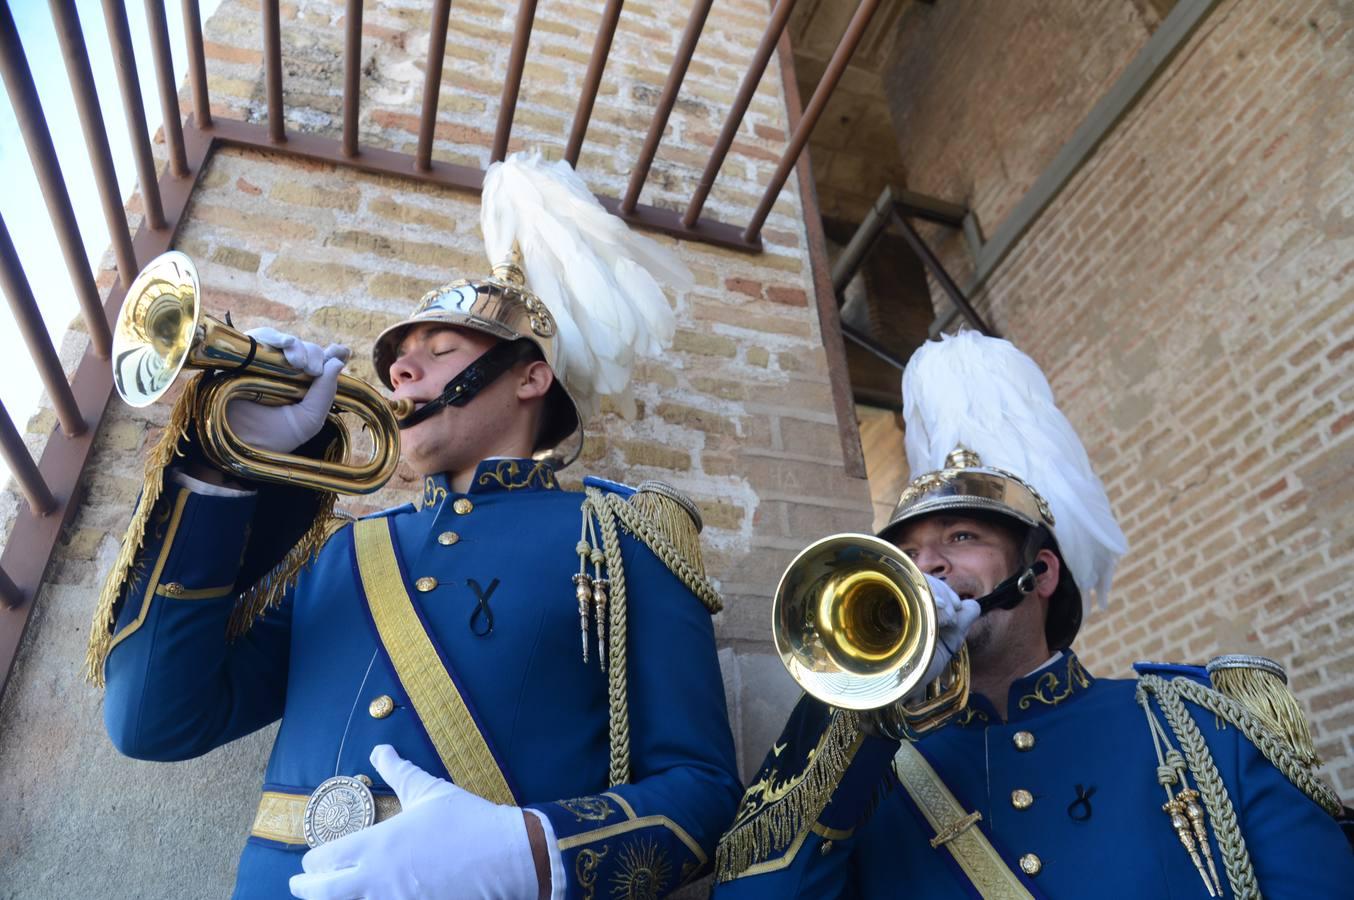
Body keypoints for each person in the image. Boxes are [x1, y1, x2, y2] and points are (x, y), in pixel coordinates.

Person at [87, 151, 741, 900]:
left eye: (439, 351)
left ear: (531, 377)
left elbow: (705, 791)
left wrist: (529, 854)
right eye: (398, 361)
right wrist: (220, 473)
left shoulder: (626, 537)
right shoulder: (340, 554)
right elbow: (150, 722)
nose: (401, 372)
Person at [714, 331, 1352, 898]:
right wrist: (859, 715)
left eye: (962, 538)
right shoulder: (868, 771)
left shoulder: (1197, 724)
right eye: (905, 553)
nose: (926, 566)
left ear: (1040, 573)